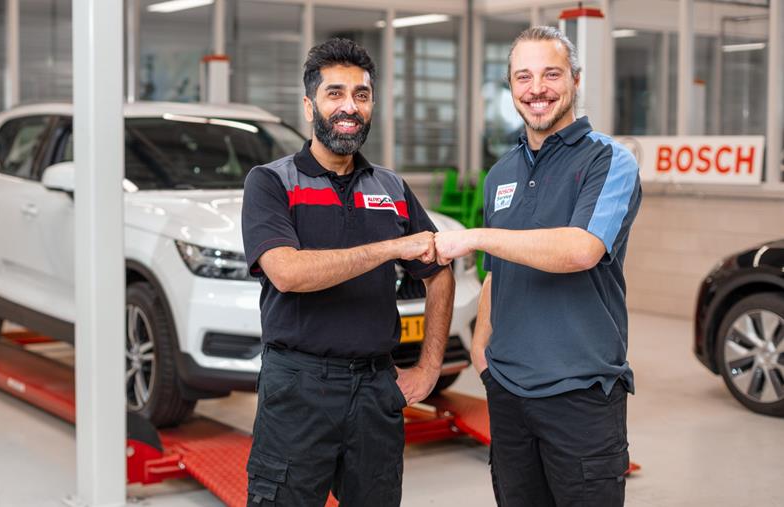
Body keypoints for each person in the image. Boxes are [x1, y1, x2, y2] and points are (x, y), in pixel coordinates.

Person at [241, 38, 455, 506]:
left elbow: (439, 272)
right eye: (334, 93)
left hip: (375, 390)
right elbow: (287, 272)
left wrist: (428, 368)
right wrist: (391, 247)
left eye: (361, 95)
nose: (349, 107)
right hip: (298, 389)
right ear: (309, 106)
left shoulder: (391, 187)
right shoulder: (271, 182)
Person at [434, 26, 642, 506]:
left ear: (575, 79)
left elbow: (581, 250)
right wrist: (483, 352)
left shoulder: (610, 161)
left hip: (581, 393)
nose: (537, 89)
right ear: (511, 87)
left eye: (551, 74)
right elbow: (496, 273)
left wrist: (473, 236)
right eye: (523, 77)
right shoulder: (500, 174)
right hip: (509, 394)